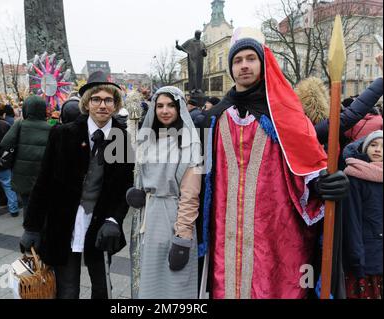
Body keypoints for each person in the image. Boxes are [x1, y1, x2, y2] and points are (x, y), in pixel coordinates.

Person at [202, 37, 349, 299]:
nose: (244, 66)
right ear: (231, 69)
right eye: (237, 61)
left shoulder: (284, 114)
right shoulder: (214, 118)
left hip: (275, 237)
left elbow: (305, 166)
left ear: (263, 64)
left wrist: (322, 184)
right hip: (224, 238)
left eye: (250, 59)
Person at [20, 71, 134, 299]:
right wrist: (31, 226)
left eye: (108, 100)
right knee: (67, 290)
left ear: (115, 104)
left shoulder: (121, 138)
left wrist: (114, 219)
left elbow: (123, 185)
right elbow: (43, 181)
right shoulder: (62, 134)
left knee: (103, 289)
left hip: (100, 224)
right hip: (64, 222)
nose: (102, 105)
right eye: (96, 99)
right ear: (87, 103)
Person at [127, 86, 202, 299]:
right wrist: (138, 191)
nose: (165, 110)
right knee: (147, 284)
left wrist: (183, 238)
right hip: (147, 217)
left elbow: (190, 196)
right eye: (159, 105)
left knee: (173, 287)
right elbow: (141, 173)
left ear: (179, 108)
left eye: (170, 105)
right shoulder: (148, 138)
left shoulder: (190, 143)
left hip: (173, 218)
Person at [342, 130, 382, 299]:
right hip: (366, 258)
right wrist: (357, 260)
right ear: (365, 149)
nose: (378, 149)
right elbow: (352, 221)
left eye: (382, 147)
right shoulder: (355, 176)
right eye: (373, 145)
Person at [0, 96, 52, 218]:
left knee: (27, 204)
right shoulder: (50, 127)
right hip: (43, 172)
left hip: (22, 172)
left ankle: (29, 230)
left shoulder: (20, 124)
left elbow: (5, 143)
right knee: (43, 203)